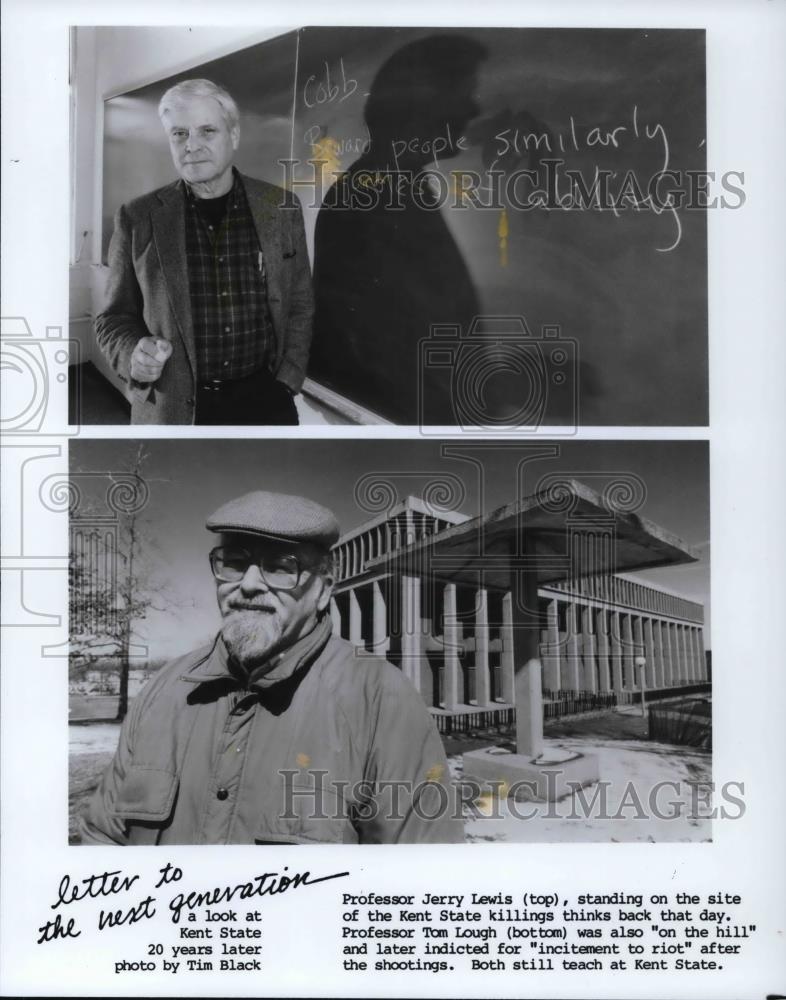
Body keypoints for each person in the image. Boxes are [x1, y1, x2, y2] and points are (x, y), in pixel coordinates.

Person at [82, 490, 464, 845]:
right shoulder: (163, 690)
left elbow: (421, 876)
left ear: (323, 590)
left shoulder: (381, 699)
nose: (248, 584)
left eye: (281, 567)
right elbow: (103, 840)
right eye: (233, 563)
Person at [95, 79, 313, 425]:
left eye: (207, 131)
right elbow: (113, 319)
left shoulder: (281, 208)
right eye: (179, 134)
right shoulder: (137, 218)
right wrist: (132, 354)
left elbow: (300, 301)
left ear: (234, 136)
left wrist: (288, 380)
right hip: (172, 410)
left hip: (265, 401)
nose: (191, 146)